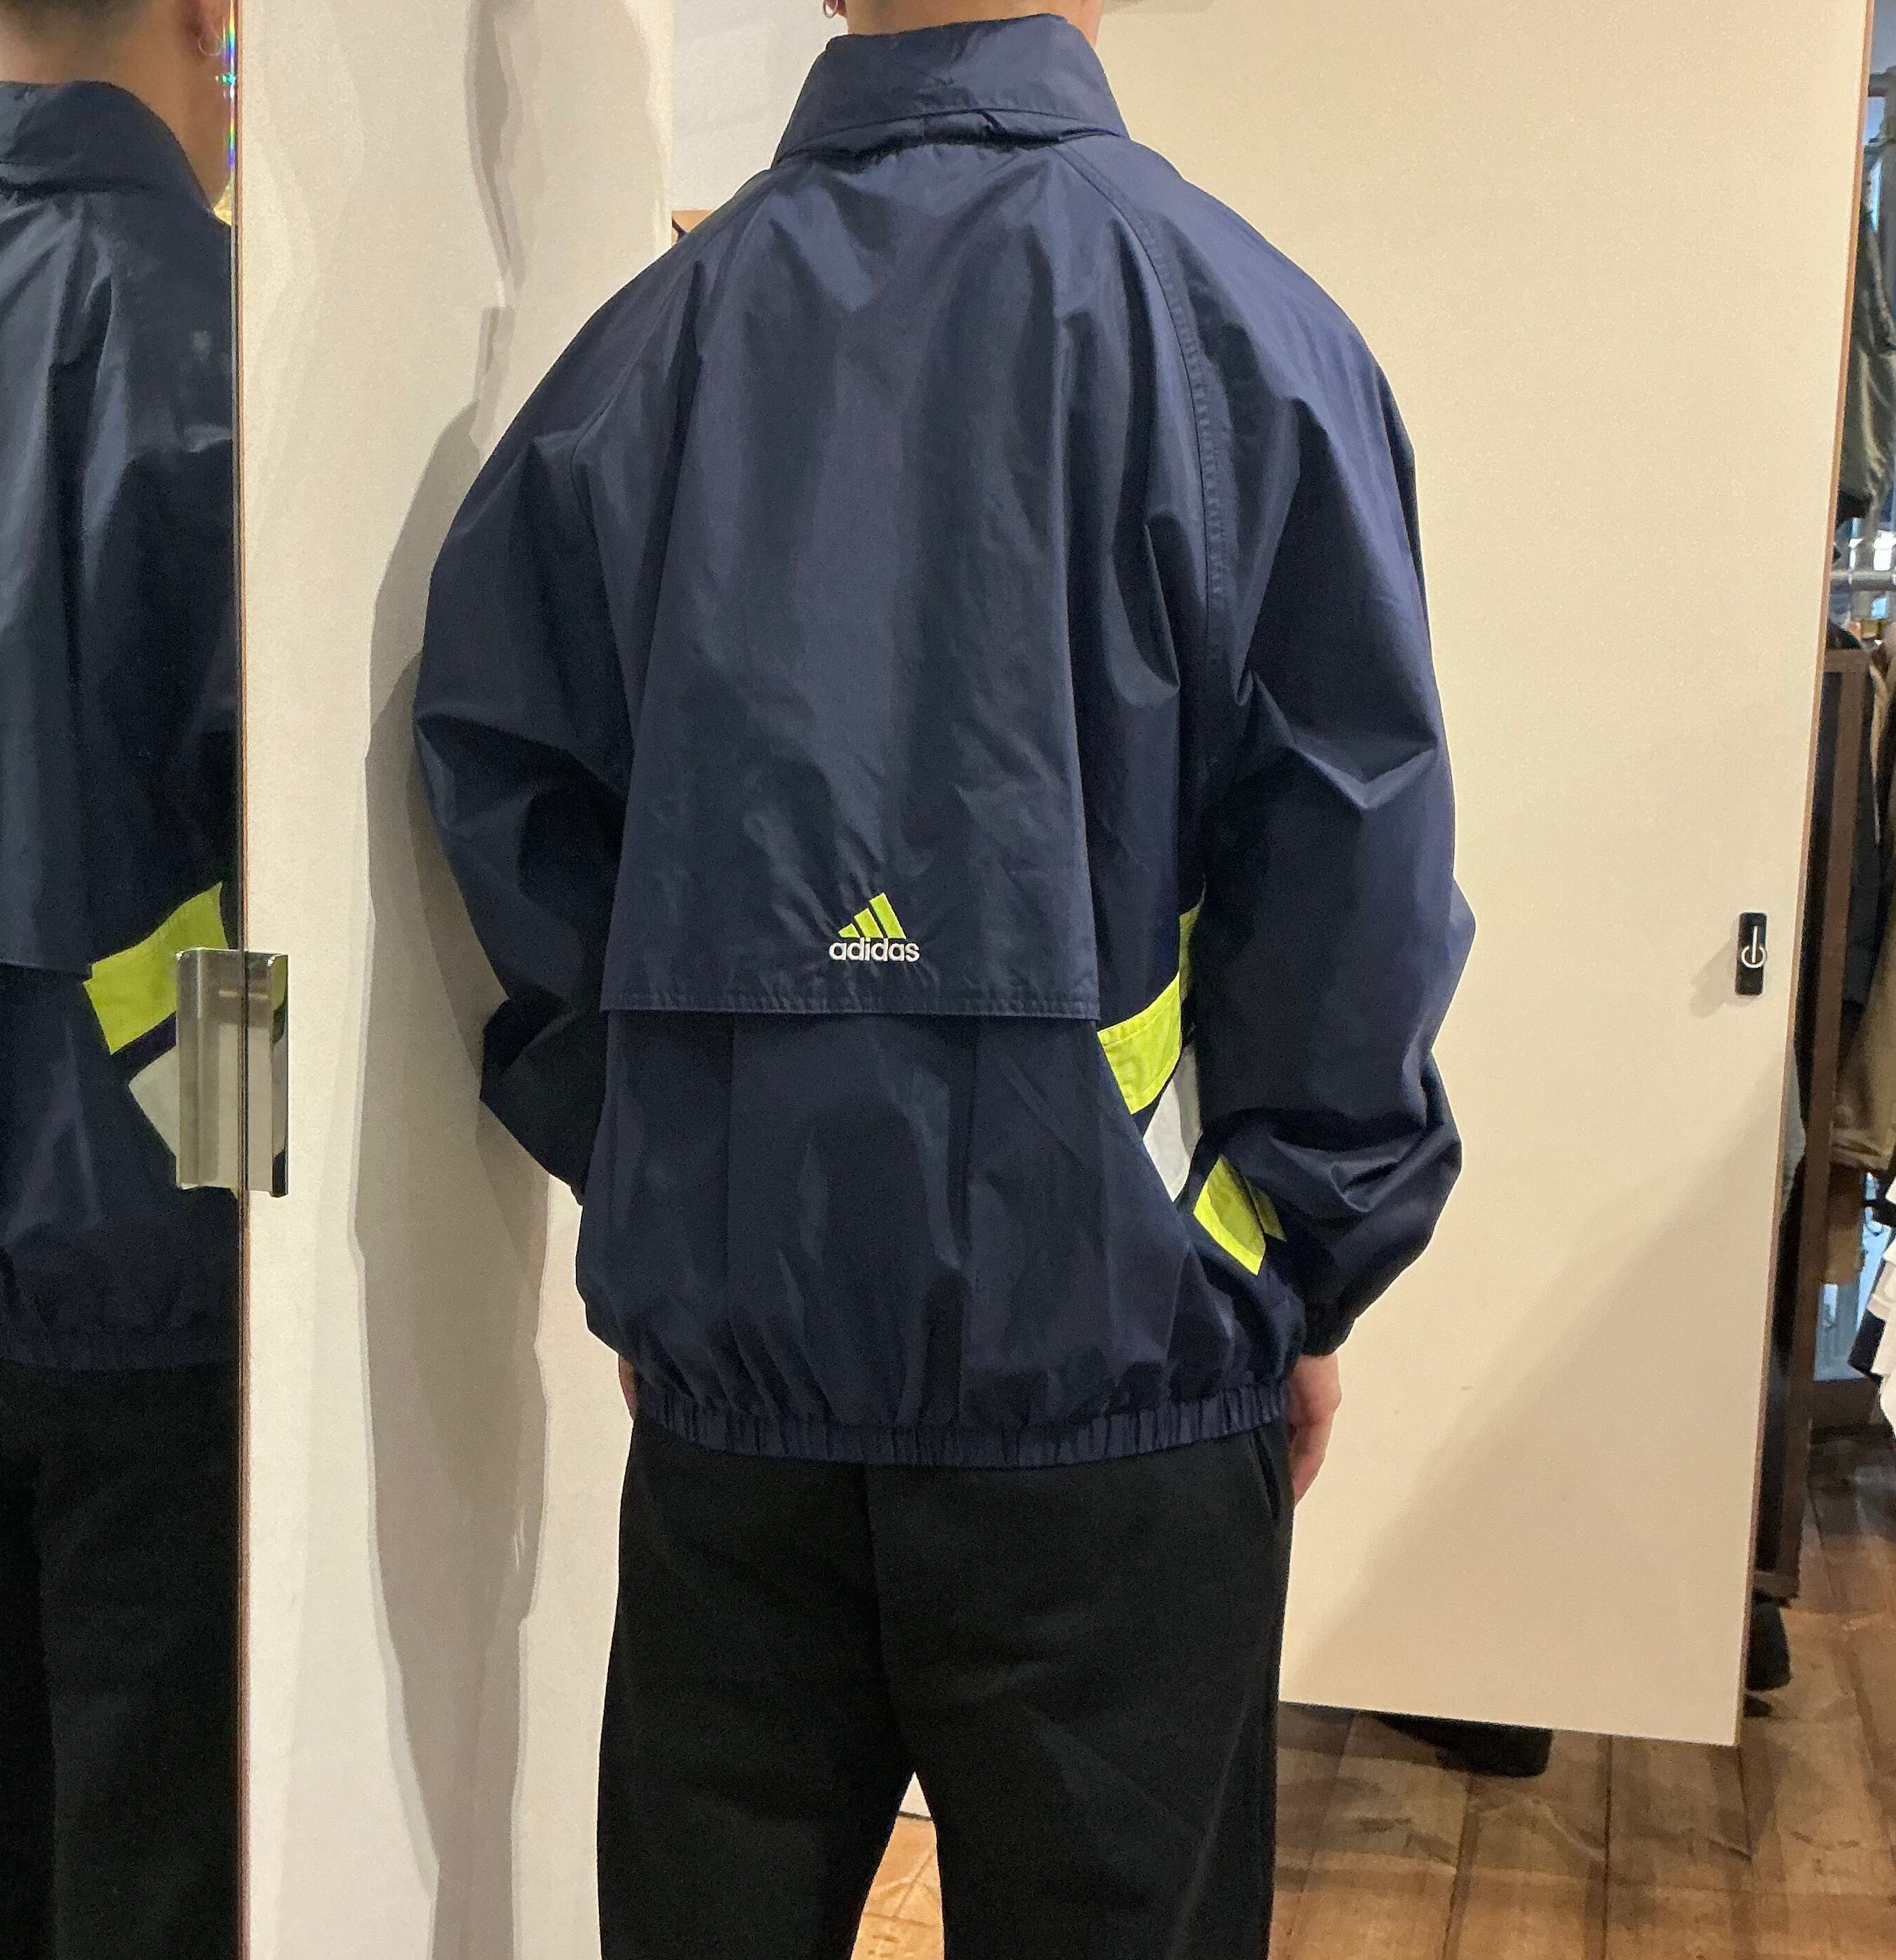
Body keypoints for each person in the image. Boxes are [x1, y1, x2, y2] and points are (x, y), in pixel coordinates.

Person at [417, 1, 1471, 1954]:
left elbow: (510, 794)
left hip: (743, 1407)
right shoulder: (1249, 338)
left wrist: (666, 1177)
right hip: (1125, 1387)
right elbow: (1352, 868)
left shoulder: (638, 362)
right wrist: (1297, 1248)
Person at [0, 2, 239, 1955]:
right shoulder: (226, 348)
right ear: (217, 17)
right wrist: (241, 1176)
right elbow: (264, 854)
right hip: (150, 1248)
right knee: (153, 1868)